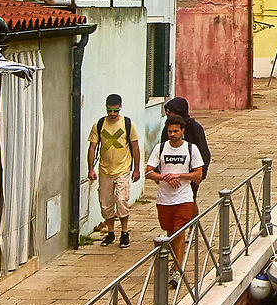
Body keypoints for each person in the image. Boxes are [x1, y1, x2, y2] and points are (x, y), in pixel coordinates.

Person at [146, 114, 206, 265]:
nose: (172, 134)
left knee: (180, 231)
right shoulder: (160, 148)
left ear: (182, 131)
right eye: (170, 131)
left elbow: (198, 173)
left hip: (184, 197)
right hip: (164, 198)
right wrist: (164, 177)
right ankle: (175, 261)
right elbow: (148, 172)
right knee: (170, 232)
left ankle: (178, 267)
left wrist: (179, 175)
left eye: (175, 131)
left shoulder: (191, 149)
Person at [86, 94, 143, 246]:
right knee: (106, 203)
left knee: (121, 200)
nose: (112, 114)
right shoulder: (99, 125)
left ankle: (124, 233)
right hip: (105, 170)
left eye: (115, 111)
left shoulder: (127, 124)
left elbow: (135, 146)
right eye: (109, 111)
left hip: (123, 169)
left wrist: (136, 169)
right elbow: (92, 147)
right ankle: (110, 232)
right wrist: (90, 169)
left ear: (120, 108)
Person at [162, 95, 211, 167]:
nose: (167, 113)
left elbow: (203, 152)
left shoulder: (194, 128)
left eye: (170, 111)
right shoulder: (167, 128)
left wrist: (201, 173)